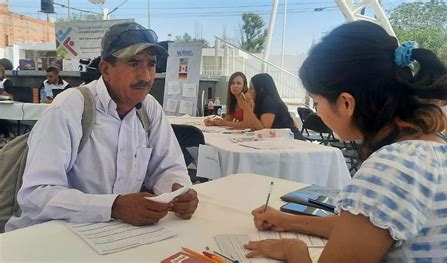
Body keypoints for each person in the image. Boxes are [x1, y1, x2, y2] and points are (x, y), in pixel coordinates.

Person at [245, 21, 447, 262]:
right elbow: (370, 228)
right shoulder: (445, 147)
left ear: (346, 103)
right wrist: (288, 221)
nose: (318, 111)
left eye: (316, 102)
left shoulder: (390, 168)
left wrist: (295, 252)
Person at [6, 22, 198, 231]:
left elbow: (168, 166)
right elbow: (36, 195)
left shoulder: (149, 109)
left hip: (114, 233)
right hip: (51, 234)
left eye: (151, 64)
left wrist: (178, 191)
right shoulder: (70, 108)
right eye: (134, 63)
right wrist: (114, 206)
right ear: (106, 69)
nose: (146, 76)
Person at [239, 73, 303, 139]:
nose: (248, 91)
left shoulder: (269, 101)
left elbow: (263, 130)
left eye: (251, 88)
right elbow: (252, 127)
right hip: (279, 140)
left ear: (261, 89)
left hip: (292, 140)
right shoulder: (258, 102)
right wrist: (249, 106)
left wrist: (247, 108)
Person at [0, 65, 13, 139]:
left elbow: (12, 95)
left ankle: (5, 135)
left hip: (5, 105)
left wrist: (3, 93)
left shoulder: (6, 82)